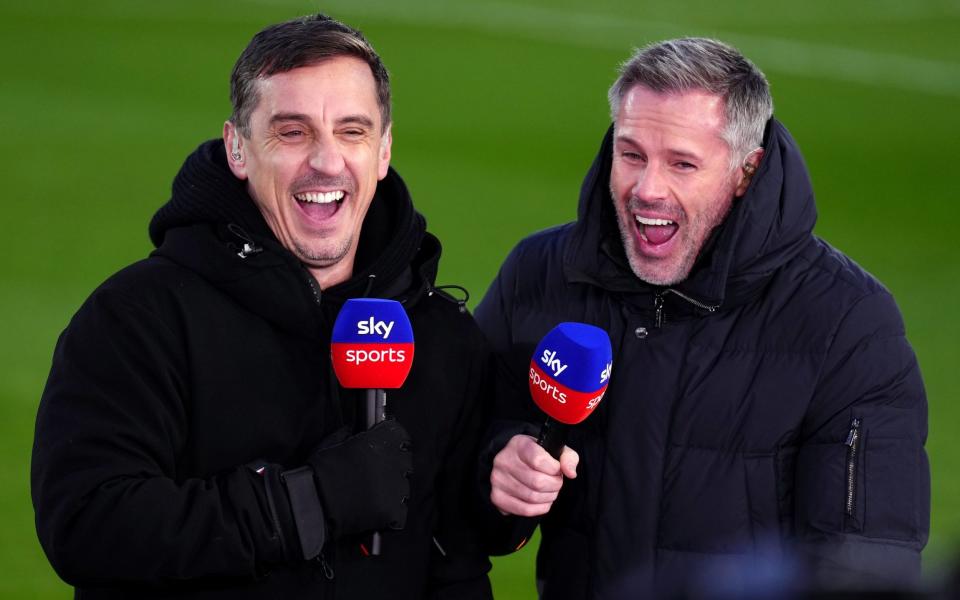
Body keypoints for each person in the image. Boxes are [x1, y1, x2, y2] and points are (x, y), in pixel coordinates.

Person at [32, 14, 492, 599]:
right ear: (237, 148)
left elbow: (457, 570)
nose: (327, 162)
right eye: (293, 132)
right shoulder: (136, 320)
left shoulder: (444, 337)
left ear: (383, 151)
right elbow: (85, 524)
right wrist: (306, 503)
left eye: (352, 132)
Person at [476, 38, 929, 598]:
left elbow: (863, 567)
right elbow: (453, 479)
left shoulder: (848, 323)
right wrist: (497, 468)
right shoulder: (539, 275)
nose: (647, 190)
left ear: (747, 171)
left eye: (682, 163)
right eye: (632, 154)